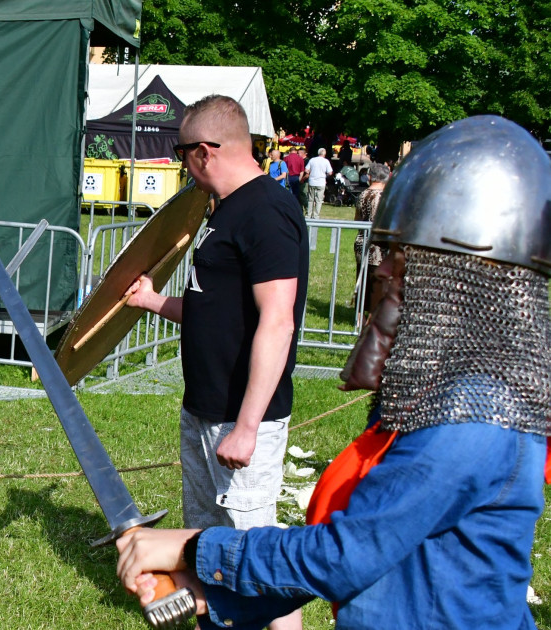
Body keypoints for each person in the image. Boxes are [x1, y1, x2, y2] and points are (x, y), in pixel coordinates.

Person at [116, 115, 551, 630]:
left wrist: (194, 549)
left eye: (401, 255)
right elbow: (370, 565)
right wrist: (210, 593)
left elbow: (346, 553)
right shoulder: (448, 398)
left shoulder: (474, 420)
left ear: (466, 274)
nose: (383, 270)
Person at [122, 94, 307, 630]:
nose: (183, 166)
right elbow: (213, 310)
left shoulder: (268, 211)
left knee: (257, 553)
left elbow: (278, 320)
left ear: (203, 152)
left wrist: (247, 427)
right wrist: (154, 301)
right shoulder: (223, 211)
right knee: (208, 545)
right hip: (204, 408)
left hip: (240, 417)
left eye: (182, 154)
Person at [350, 163, 389, 315]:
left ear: (370, 176)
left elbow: (357, 219)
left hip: (361, 240)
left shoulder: (363, 194)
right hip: (378, 245)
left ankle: (359, 317)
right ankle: (372, 316)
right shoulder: (383, 196)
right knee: (376, 283)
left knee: (362, 278)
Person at [304, 147, 332, 220]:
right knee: (319, 200)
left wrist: (311, 173)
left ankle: (309, 214)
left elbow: (306, 170)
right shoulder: (326, 161)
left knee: (310, 199)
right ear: (324, 154)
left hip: (312, 181)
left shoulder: (312, 160)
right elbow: (330, 172)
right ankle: (316, 215)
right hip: (321, 182)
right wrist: (325, 176)